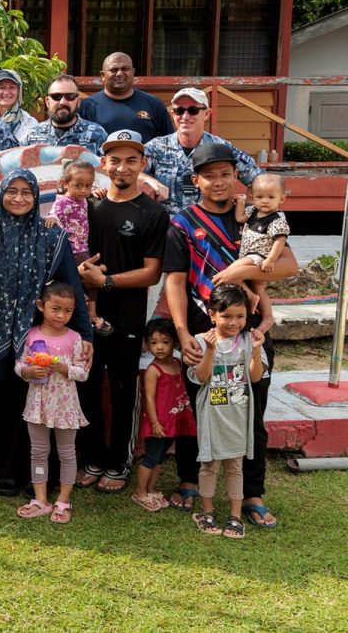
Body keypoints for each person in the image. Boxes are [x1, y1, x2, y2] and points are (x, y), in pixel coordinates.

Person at [161, 142, 297, 527]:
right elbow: (173, 279)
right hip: (203, 334)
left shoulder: (256, 217)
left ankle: (252, 492)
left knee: (252, 409)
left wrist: (245, 270)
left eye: (225, 174)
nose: (218, 182)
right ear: (196, 180)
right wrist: (182, 331)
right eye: (209, 175)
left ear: (236, 177)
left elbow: (289, 265)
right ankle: (190, 478)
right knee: (197, 407)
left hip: (249, 334)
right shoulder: (183, 223)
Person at [0, 169, 92, 497]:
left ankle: (33, 475)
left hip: (38, 338)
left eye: (27, 192)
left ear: (37, 196)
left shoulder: (52, 238)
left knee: (36, 406)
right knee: (2, 404)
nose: (19, 198)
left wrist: (86, 337)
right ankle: (7, 469)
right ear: (0, 196)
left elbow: (71, 289)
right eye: (12, 191)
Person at [75, 130, 169, 495]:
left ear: (143, 165)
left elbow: (152, 272)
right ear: (104, 164)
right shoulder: (91, 205)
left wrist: (107, 280)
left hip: (127, 318)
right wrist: (83, 274)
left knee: (122, 391)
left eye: (131, 160)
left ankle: (118, 462)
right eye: (115, 159)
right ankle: (94, 459)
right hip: (86, 316)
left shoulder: (152, 212)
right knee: (87, 387)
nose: (122, 167)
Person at [188, 284, 266, 539]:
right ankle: (206, 511)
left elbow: (255, 378)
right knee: (209, 465)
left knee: (235, 466)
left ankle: (235, 516)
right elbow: (200, 377)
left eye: (240, 316)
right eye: (227, 316)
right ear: (213, 315)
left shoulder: (249, 340)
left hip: (239, 415)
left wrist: (255, 350)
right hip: (212, 415)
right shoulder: (201, 341)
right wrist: (210, 350)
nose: (234, 322)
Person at [13, 280, 90, 525]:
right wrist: (27, 372)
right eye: (55, 308)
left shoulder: (75, 337)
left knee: (67, 453)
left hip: (66, 407)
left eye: (67, 311)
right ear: (41, 306)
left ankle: (64, 499)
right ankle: (40, 499)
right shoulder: (32, 334)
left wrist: (64, 368)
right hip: (38, 404)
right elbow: (20, 363)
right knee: (38, 452)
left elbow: (83, 372)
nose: (61, 315)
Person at [143, 87, 261, 216]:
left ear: (207, 114)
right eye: (179, 111)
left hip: (207, 227)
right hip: (167, 227)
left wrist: (251, 216)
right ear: (173, 114)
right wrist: (148, 179)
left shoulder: (220, 148)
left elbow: (258, 180)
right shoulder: (157, 147)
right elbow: (126, 169)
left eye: (193, 110)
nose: (185, 116)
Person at [132, 318, 194, 513]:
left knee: (160, 457)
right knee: (151, 457)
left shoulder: (177, 363)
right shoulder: (153, 370)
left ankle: (151, 489)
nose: (159, 347)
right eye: (153, 342)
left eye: (165, 342)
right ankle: (140, 492)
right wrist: (155, 423)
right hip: (157, 422)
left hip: (173, 421)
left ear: (174, 342)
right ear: (147, 344)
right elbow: (148, 399)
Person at [47, 160, 111, 335]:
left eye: (88, 186)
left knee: (93, 279)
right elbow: (54, 214)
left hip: (82, 248)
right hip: (71, 250)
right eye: (78, 185)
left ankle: (91, 313)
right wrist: (52, 219)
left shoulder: (84, 199)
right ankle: (82, 313)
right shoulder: (64, 201)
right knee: (74, 281)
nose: (83, 190)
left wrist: (97, 193)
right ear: (65, 183)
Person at [77, 52, 173, 143]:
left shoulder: (154, 104)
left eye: (125, 69)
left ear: (133, 72)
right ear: (103, 75)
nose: (119, 73)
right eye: (114, 70)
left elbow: (168, 144)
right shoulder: (87, 106)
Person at [231, 174, 291, 307]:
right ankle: (265, 315)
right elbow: (240, 218)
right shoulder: (253, 210)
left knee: (231, 272)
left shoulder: (277, 219)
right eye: (259, 197)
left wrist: (271, 259)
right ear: (252, 197)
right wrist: (240, 202)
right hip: (248, 254)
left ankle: (250, 297)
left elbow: (279, 241)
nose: (265, 201)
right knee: (259, 288)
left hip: (259, 256)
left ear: (281, 199)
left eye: (271, 197)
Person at [20, 74, 108, 155]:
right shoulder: (31, 135)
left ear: (78, 102)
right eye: (56, 97)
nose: (63, 102)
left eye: (70, 96)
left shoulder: (97, 134)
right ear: (47, 102)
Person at [0, 69, 37, 142]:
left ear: (19, 91)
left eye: (12, 87)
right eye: (1, 87)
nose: (6, 92)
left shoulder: (30, 123)